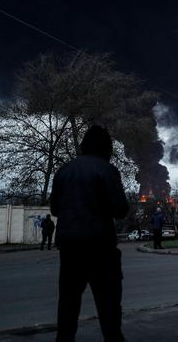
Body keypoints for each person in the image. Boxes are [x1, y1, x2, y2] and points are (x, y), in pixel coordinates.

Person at [50, 125, 129, 342]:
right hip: (100, 249)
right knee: (109, 307)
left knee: (67, 304)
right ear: (107, 148)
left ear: (84, 146)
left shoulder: (63, 171)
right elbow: (121, 209)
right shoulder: (107, 170)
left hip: (69, 249)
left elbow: (55, 209)